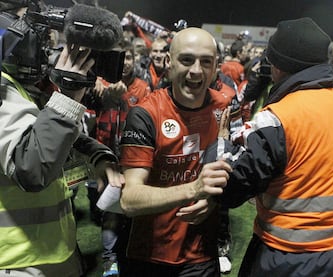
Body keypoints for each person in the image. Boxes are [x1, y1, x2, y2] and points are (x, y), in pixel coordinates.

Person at [199, 17, 333, 276]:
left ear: (277, 66)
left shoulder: (275, 119)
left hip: (294, 257)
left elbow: (228, 190)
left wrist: (220, 141)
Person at [0, 20, 124, 277]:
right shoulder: (4, 88)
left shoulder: (27, 88)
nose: (49, 53)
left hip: (56, 252)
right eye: (42, 43)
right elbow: (31, 167)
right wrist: (68, 95)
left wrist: (98, 157)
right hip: (14, 262)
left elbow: (61, 142)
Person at [119, 27, 232, 276]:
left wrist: (212, 200)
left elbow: (224, 162)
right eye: (187, 60)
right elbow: (129, 199)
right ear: (169, 63)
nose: (196, 71)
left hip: (202, 253)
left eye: (206, 62)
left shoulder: (222, 107)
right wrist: (193, 190)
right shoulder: (146, 114)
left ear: (215, 68)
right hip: (151, 255)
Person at [84, 40, 151, 277]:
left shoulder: (143, 88)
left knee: (127, 213)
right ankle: (111, 260)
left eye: (129, 57)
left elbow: (147, 122)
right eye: (119, 58)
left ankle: (118, 257)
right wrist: (102, 98)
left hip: (133, 160)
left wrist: (122, 100)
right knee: (106, 211)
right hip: (103, 158)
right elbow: (87, 122)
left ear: (136, 59)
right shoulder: (98, 84)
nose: (125, 64)